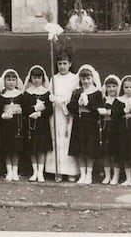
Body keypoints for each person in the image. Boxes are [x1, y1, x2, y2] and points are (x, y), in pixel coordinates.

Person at [45, 45, 80, 182]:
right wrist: (53, 98)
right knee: (56, 140)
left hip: (68, 112)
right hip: (56, 112)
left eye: (65, 63)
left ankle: (70, 171)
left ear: (70, 64)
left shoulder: (74, 78)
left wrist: (66, 101)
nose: (62, 66)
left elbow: (75, 95)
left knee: (68, 139)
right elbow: (50, 94)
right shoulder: (54, 78)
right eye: (59, 64)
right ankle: (57, 171)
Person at [67, 65, 103, 185]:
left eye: (88, 78)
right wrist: (77, 104)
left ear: (92, 78)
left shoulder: (97, 93)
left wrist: (87, 104)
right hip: (79, 122)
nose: (86, 81)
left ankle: (89, 174)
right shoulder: (77, 91)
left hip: (90, 123)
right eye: (83, 79)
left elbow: (98, 110)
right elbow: (70, 107)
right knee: (80, 150)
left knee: (89, 150)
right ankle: (82, 174)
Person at [111, 75, 131, 186]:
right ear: (122, 88)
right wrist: (124, 111)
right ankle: (128, 178)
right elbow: (114, 114)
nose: (128, 90)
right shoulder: (119, 100)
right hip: (122, 130)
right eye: (126, 87)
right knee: (124, 153)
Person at [22, 66, 53, 182]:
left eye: (39, 78)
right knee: (32, 148)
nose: (36, 80)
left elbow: (50, 110)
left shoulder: (46, 93)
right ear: (30, 79)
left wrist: (40, 113)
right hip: (30, 124)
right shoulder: (27, 93)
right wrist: (34, 109)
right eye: (34, 78)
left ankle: (41, 172)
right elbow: (24, 109)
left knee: (41, 148)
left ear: (42, 79)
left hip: (42, 124)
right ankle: (34, 172)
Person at [0, 69, 24, 181]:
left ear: (17, 81)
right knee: (7, 148)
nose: (11, 82)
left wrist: (20, 110)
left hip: (17, 124)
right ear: (4, 81)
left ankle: (15, 171)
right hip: (6, 125)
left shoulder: (20, 95)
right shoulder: (2, 95)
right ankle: (9, 171)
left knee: (16, 148)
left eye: (13, 80)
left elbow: (25, 108)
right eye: (8, 80)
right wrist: (3, 114)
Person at [98, 75, 121, 184]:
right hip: (105, 127)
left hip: (116, 128)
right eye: (109, 86)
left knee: (115, 153)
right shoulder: (104, 99)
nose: (111, 89)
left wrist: (108, 112)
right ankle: (107, 175)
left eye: (114, 86)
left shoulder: (120, 100)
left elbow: (119, 113)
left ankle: (115, 176)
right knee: (106, 152)